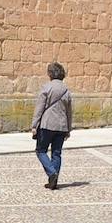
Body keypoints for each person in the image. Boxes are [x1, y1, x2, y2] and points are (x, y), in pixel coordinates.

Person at [32, 61, 73, 189]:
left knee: (40, 150)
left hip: (47, 124)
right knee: (56, 153)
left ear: (50, 74)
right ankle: (53, 181)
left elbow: (39, 108)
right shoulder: (67, 90)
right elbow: (69, 112)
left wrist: (34, 125)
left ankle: (52, 173)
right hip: (61, 126)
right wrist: (68, 129)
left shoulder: (47, 88)